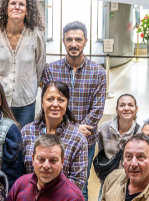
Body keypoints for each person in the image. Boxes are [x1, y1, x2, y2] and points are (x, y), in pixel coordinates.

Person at [40, 21, 106, 171]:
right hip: (57, 137)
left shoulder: (98, 72)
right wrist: (72, 129)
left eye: (78, 39)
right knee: (53, 179)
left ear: (86, 42)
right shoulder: (51, 70)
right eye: (69, 39)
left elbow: (97, 109)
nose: (73, 44)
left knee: (81, 187)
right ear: (63, 41)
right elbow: (47, 104)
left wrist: (76, 132)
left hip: (86, 140)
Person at [0, 0, 46, 127]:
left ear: (27, 10)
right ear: (6, 8)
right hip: (0, 100)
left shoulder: (36, 34)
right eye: (13, 3)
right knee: (2, 141)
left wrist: (30, 88)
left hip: (26, 101)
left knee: (23, 142)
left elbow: (40, 66)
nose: (17, 7)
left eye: (21, 4)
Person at [21, 81, 88, 195]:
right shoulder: (26, 132)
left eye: (61, 100)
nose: (55, 104)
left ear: (67, 103)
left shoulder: (78, 139)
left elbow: (78, 181)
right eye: (50, 99)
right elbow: (20, 172)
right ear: (42, 102)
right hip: (30, 197)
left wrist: (49, 195)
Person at [93, 94, 139, 182]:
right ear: (117, 109)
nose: (126, 108)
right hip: (108, 180)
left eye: (130, 105)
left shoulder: (140, 132)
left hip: (129, 181)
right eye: (122, 105)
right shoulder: (104, 128)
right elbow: (101, 153)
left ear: (136, 109)